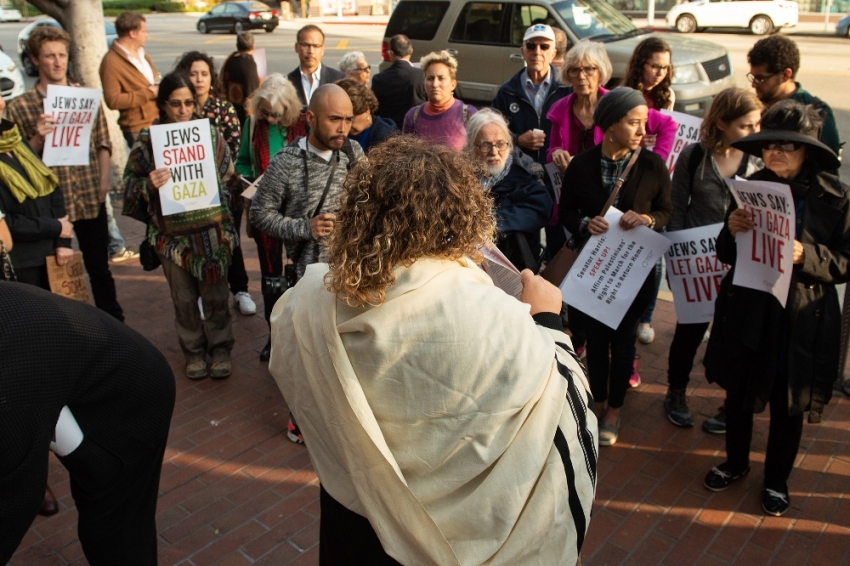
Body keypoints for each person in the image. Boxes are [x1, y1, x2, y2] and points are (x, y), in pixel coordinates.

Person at [268, 136, 596, 565]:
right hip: (461, 541)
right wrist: (548, 322)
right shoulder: (500, 318)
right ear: (464, 215)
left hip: (353, 518)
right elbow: (563, 407)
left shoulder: (306, 299)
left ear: (360, 215)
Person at [702, 100, 849, 517]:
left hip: (801, 318)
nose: (776, 153)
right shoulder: (751, 188)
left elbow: (845, 262)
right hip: (750, 309)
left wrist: (810, 256)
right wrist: (730, 231)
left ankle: (776, 481)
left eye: (789, 145)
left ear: (808, 151)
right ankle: (734, 463)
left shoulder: (837, 199)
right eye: (769, 145)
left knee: (790, 403)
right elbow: (724, 253)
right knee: (740, 391)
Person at [0, 282, 175, 565]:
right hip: (59, 378)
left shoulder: (9, 391)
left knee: (114, 526)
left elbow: (17, 497)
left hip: (131, 396)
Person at [559, 87, 673, 447]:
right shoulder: (581, 165)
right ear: (610, 125)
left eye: (644, 122)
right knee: (594, 338)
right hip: (594, 273)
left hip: (632, 274)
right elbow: (566, 212)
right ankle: (599, 398)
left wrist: (648, 220)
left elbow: (667, 211)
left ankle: (615, 410)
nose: (643, 130)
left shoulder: (652, 165)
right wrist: (584, 224)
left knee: (624, 343)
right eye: (633, 122)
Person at [251, 84, 364, 444]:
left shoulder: (354, 152)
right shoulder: (286, 163)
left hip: (354, 272)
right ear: (311, 119)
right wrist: (304, 228)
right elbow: (259, 214)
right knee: (311, 354)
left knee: (349, 352)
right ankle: (300, 417)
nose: (343, 128)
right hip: (309, 276)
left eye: (348, 119)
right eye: (334, 119)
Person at [123, 72, 239, 380]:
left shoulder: (210, 136)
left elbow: (229, 176)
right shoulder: (149, 141)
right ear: (163, 105)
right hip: (172, 240)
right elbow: (129, 187)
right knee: (184, 300)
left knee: (216, 296)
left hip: (211, 234)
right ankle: (194, 352)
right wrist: (148, 183)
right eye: (175, 104)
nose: (183, 110)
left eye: (189, 103)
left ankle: (221, 348)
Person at [7, 25, 124, 321]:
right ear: (35, 59)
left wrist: (101, 189)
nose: (57, 62)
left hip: (87, 197)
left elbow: (102, 143)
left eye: (62, 55)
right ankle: (69, 328)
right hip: (48, 211)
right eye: (49, 56)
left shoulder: (85, 98)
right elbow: (14, 162)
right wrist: (36, 138)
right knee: (57, 276)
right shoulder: (21, 107)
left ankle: (114, 325)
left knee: (100, 269)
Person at [664, 88, 763, 429]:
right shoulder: (694, 157)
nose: (753, 132)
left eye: (756, 124)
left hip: (738, 263)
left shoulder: (759, 161)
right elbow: (677, 207)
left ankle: (728, 405)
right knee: (689, 332)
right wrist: (676, 256)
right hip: (696, 263)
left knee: (736, 337)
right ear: (721, 123)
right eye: (745, 126)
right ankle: (676, 391)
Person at [176, 51, 256, 317]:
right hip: (189, 193)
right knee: (194, 243)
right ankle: (199, 295)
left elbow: (234, 147)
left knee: (228, 240)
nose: (198, 79)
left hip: (223, 192)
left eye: (204, 73)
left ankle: (241, 290)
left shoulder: (222, 109)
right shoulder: (179, 112)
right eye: (193, 74)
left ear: (212, 78)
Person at [236, 73, 307, 361]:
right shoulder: (253, 124)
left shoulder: (303, 125)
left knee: (302, 270)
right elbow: (241, 159)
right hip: (265, 208)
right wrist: (248, 180)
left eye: (274, 114)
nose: (268, 118)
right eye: (263, 111)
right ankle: (273, 334)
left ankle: (299, 334)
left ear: (289, 109)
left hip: (298, 210)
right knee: (270, 274)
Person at [491, 24, 571, 257]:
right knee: (527, 250)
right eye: (531, 46)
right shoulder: (507, 92)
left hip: (559, 180)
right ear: (523, 51)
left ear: (553, 52)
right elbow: (494, 134)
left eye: (544, 46)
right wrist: (517, 140)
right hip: (523, 182)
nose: (538, 51)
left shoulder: (566, 89)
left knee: (560, 247)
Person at [621, 37, 677, 348]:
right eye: (653, 65)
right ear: (641, 62)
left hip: (653, 178)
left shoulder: (667, 98)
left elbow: (664, 137)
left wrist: (655, 154)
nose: (658, 72)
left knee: (653, 253)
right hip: (625, 175)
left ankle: (645, 316)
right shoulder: (625, 93)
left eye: (664, 67)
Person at [548, 40, 676, 174]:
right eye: (574, 70)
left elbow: (668, 125)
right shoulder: (560, 109)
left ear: (601, 73)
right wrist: (556, 153)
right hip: (576, 185)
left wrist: (654, 164)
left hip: (613, 183)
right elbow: (552, 150)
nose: (581, 76)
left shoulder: (618, 101)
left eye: (589, 69)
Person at [0, 96, 72, 290]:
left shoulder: (14, 139)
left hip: (51, 253)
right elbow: (7, 224)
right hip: (22, 263)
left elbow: (51, 186)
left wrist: (63, 241)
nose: (1, 104)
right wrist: (54, 227)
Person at [466, 108, 551, 271]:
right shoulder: (460, 176)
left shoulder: (526, 174)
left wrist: (491, 222)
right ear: (471, 146)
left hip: (513, 268)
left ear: (509, 144)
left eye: (500, 144)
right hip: (471, 268)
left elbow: (541, 209)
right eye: (485, 145)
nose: (494, 152)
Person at [747, 35, 841, 157]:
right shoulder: (753, 109)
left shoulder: (818, 112)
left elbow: (829, 167)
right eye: (753, 77)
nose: (753, 84)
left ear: (786, 75)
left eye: (760, 79)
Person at [99, 11, 159, 148]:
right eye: (144, 31)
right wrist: (148, 93)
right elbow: (113, 100)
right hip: (137, 127)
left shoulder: (142, 54)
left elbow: (154, 80)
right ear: (132, 33)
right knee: (147, 168)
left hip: (156, 120)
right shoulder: (110, 62)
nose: (146, 34)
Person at [402, 51, 477, 152]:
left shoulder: (469, 115)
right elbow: (405, 156)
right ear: (424, 83)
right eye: (430, 78)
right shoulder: (412, 117)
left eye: (441, 78)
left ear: (453, 84)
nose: (435, 84)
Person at [370, 34, 426, 129]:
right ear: (411, 51)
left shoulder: (378, 79)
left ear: (391, 53)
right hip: (415, 131)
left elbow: (375, 109)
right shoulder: (421, 75)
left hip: (387, 131)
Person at [287, 25, 346, 107]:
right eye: (305, 45)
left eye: (316, 46)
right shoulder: (287, 83)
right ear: (297, 47)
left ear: (322, 49)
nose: (310, 51)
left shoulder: (339, 79)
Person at [336, 78, 397, 151]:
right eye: (338, 118)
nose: (345, 125)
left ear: (367, 110)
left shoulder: (387, 137)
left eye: (350, 118)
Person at [220, 31, 260, 125]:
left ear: (237, 45)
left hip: (229, 114)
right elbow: (252, 95)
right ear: (253, 46)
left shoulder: (230, 59)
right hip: (243, 119)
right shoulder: (249, 65)